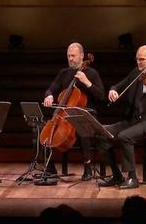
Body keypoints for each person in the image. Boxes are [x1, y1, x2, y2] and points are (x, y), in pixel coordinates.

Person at [98, 45, 146, 189]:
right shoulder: (136, 73)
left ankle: (132, 178)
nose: (138, 62)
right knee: (102, 134)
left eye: (142, 59)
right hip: (134, 120)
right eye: (137, 59)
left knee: (124, 136)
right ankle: (117, 176)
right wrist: (113, 90)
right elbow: (118, 85)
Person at [42, 42, 105, 180]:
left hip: (86, 114)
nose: (70, 59)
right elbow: (51, 88)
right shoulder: (64, 73)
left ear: (82, 56)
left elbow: (101, 96)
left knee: (82, 129)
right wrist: (49, 95)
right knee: (42, 130)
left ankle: (87, 168)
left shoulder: (91, 73)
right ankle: (50, 168)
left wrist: (87, 82)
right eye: (68, 56)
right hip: (64, 115)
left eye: (73, 56)